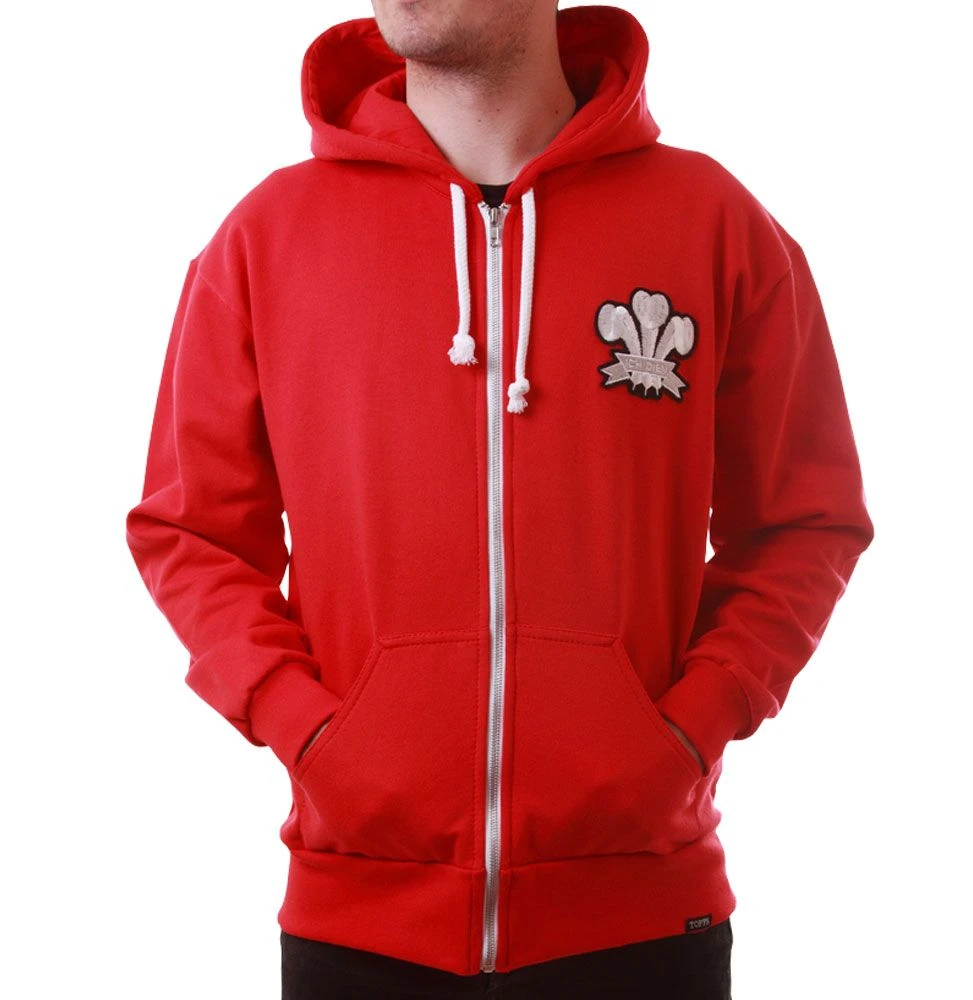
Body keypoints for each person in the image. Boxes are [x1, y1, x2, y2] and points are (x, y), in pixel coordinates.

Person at [124, 1, 875, 997]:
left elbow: (803, 519)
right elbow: (191, 530)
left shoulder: (712, 223)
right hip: (358, 921)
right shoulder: (268, 235)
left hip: (641, 917)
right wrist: (307, 728)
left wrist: (692, 724)